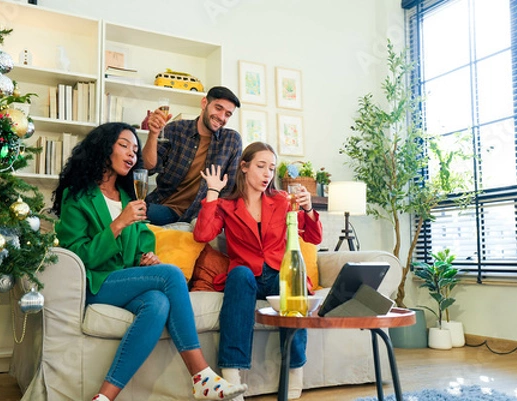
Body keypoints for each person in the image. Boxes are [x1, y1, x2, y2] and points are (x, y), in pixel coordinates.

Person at [51, 122, 248, 401]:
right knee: (170, 275)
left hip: (123, 280)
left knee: (158, 303)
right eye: (124, 145)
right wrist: (118, 223)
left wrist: (147, 256)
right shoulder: (78, 196)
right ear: (104, 148)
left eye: (135, 148)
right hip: (94, 283)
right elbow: (77, 256)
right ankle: (201, 375)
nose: (132, 153)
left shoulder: (127, 196)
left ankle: (104, 397)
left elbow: (142, 237)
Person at [193, 142, 323, 400]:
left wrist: (308, 208)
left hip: (278, 273)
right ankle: (231, 376)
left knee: (292, 284)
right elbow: (203, 234)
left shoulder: (282, 201)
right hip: (246, 276)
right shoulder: (227, 206)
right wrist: (212, 193)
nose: (267, 174)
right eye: (261, 166)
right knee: (239, 274)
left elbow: (314, 237)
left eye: (271, 168)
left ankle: (295, 371)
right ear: (244, 167)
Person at [142, 86, 242, 225]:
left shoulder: (231, 141)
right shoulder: (175, 129)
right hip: (165, 207)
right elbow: (148, 167)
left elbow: (230, 190)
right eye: (218, 108)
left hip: (200, 214)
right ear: (204, 103)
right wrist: (153, 134)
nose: (221, 117)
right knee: (128, 213)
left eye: (228, 114)